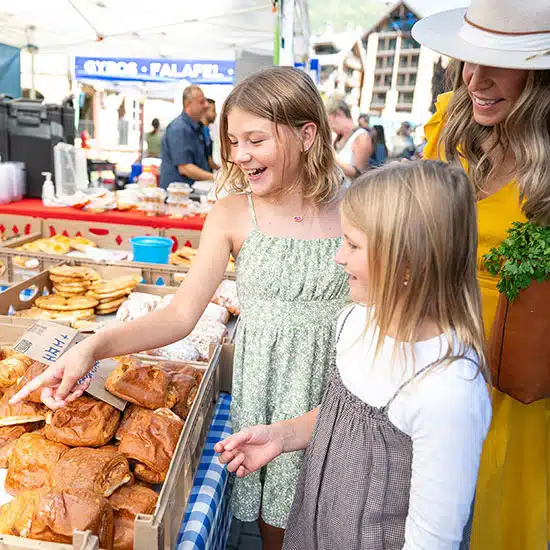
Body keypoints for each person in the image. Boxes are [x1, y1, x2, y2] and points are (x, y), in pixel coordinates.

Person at [12, 67, 348, 550]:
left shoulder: (356, 207)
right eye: (233, 141)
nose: (240, 155)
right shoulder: (234, 212)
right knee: (279, 532)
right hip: (268, 391)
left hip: (338, 390)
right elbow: (179, 315)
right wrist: (93, 345)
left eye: (255, 139)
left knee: (339, 525)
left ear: (307, 134)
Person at [216, 160, 492, 550]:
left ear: (409, 262)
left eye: (353, 245)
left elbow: (434, 540)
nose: (338, 258)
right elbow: (342, 417)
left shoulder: (449, 391)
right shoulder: (356, 322)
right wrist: (281, 436)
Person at [412, 1, 550, 548]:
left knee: (496, 522)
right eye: (469, 58)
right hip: (433, 362)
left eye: (499, 61)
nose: (475, 78)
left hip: (517, 381)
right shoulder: (450, 122)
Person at [159, 85, 212, 189]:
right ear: (188, 104)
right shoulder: (178, 128)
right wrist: (215, 177)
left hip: (193, 191)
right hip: (178, 197)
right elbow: (184, 168)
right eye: (201, 102)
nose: (206, 105)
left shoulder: (198, 128)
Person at [326, 99, 372, 181]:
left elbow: (360, 174)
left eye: (329, 121)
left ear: (340, 114)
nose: (329, 126)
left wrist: (332, 156)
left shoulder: (361, 136)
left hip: (349, 192)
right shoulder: (338, 137)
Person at [202, 98, 220, 171]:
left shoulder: (207, 130)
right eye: (213, 111)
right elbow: (208, 158)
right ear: (205, 112)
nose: (215, 114)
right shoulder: (203, 131)